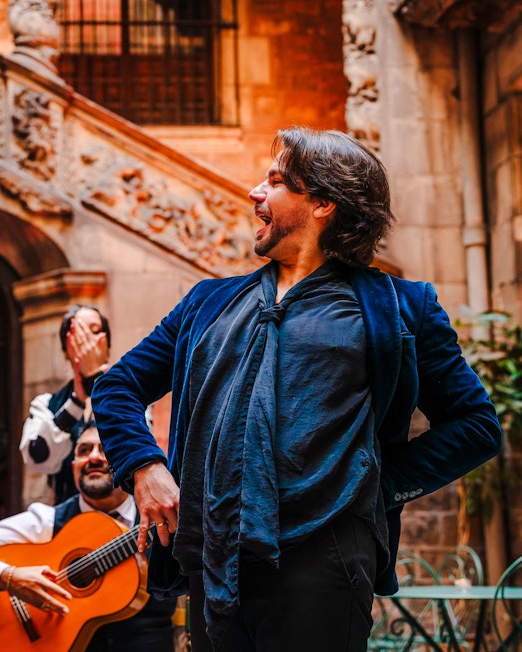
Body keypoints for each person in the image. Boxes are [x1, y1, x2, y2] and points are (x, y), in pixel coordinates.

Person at [92, 127, 503, 652]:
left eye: (277, 181)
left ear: (323, 203)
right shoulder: (206, 303)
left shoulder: (401, 307)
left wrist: (372, 485)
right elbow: (119, 386)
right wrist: (144, 466)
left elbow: (476, 427)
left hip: (325, 558)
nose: (254, 193)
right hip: (214, 560)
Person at [0, 419, 176, 652]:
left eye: (105, 449)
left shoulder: (161, 514)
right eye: (84, 450)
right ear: (73, 467)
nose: (93, 457)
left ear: (127, 461)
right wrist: (9, 577)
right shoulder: (47, 521)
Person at [20, 304, 110, 503]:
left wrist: (102, 385)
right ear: (66, 348)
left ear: (107, 344)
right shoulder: (46, 404)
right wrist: (76, 403)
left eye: (94, 332)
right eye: (79, 334)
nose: (87, 342)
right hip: (69, 520)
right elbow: (39, 458)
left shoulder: (132, 395)